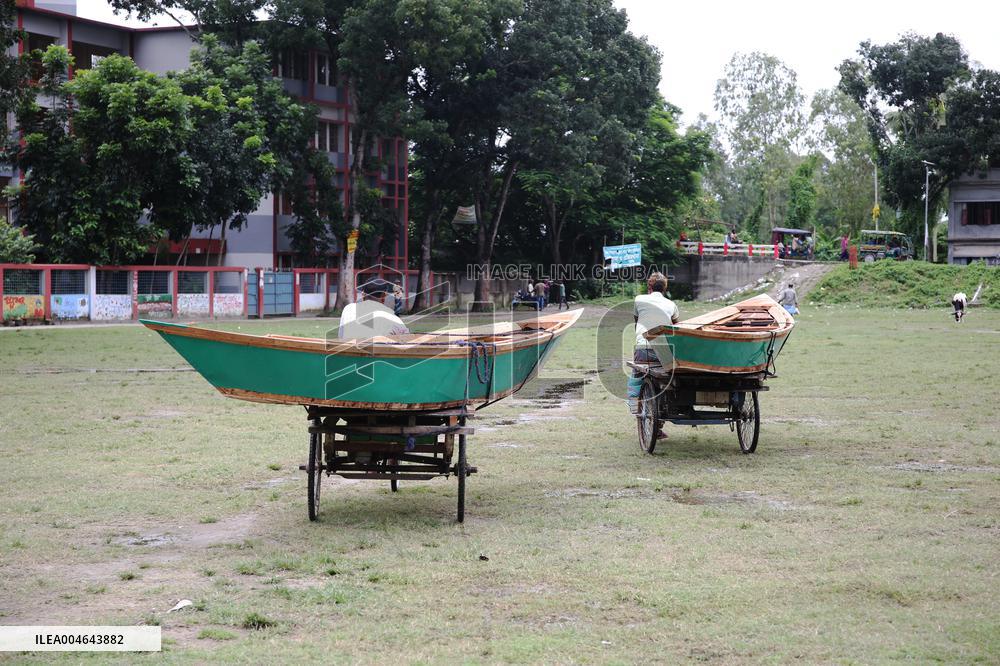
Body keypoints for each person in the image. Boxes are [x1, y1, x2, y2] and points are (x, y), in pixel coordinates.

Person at [627, 272, 680, 415]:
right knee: (666, 380)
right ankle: (662, 415)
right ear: (664, 288)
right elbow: (676, 327)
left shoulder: (639, 299)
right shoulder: (671, 305)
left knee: (637, 374)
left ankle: (633, 403)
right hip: (663, 352)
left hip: (643, 349)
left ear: (649, 286)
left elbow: (636, 322)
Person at [338, 278, 410, 340]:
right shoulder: (394, 320)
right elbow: (407, 341)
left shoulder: (348, 309)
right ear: (384, 296)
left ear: (363, 294)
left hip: (349, 354)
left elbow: (341, 337)